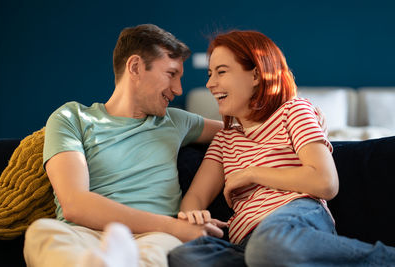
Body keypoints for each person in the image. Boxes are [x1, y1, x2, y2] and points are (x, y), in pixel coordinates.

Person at [168, 30, 395, 266]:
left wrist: (251, 173)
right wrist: (193, 216)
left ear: (255, 74)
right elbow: (195, 196)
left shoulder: (293, 111)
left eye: (221, 72)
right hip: (246, 242)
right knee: (184, 257)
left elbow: (326, 182)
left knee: (269, 245)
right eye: (210, 73)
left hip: (295, 217)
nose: (210, 83)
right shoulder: (225, 139)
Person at [23, 24, 225, 267]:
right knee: (41, 232)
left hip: (153, 238)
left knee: (161, 248)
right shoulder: (71, 118)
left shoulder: (176, 120)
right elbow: (75, 204)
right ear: (136, 67)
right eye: (171, 74)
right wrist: (175, 226)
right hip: (85, 233)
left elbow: (244, 129)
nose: (178, 89)